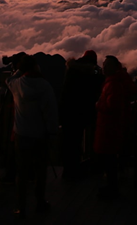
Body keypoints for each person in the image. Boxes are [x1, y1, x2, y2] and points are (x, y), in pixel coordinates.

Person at [7, 55, 59, 216]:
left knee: (21, 173)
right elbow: (50, 113)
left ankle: (20, 206)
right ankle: (40, 202)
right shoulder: (45, 86)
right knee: (40, 170)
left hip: (22, 135)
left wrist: (18, 71)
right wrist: (52, 132)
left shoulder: (17, 84)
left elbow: (8, 80)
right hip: (40, 135)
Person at [94, 55, 135, 199]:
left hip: (109, 126)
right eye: (104, 64)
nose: (103, 67)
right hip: (111, 126)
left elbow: (113, 106)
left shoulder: (113, 84)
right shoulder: (115, 82)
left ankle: (112, 188)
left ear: (114, 67)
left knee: (109, 159)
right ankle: (112, 187)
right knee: (111, 158)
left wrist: (99, 105)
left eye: (107, 65)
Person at [60, 50, 104, 181]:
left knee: (69, 143)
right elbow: (96, 89)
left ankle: (68, 171)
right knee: (77, 142)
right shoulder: (90, 73)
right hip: (81, 113)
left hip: (67, 111)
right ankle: (77, 170)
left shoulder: (71, 70)